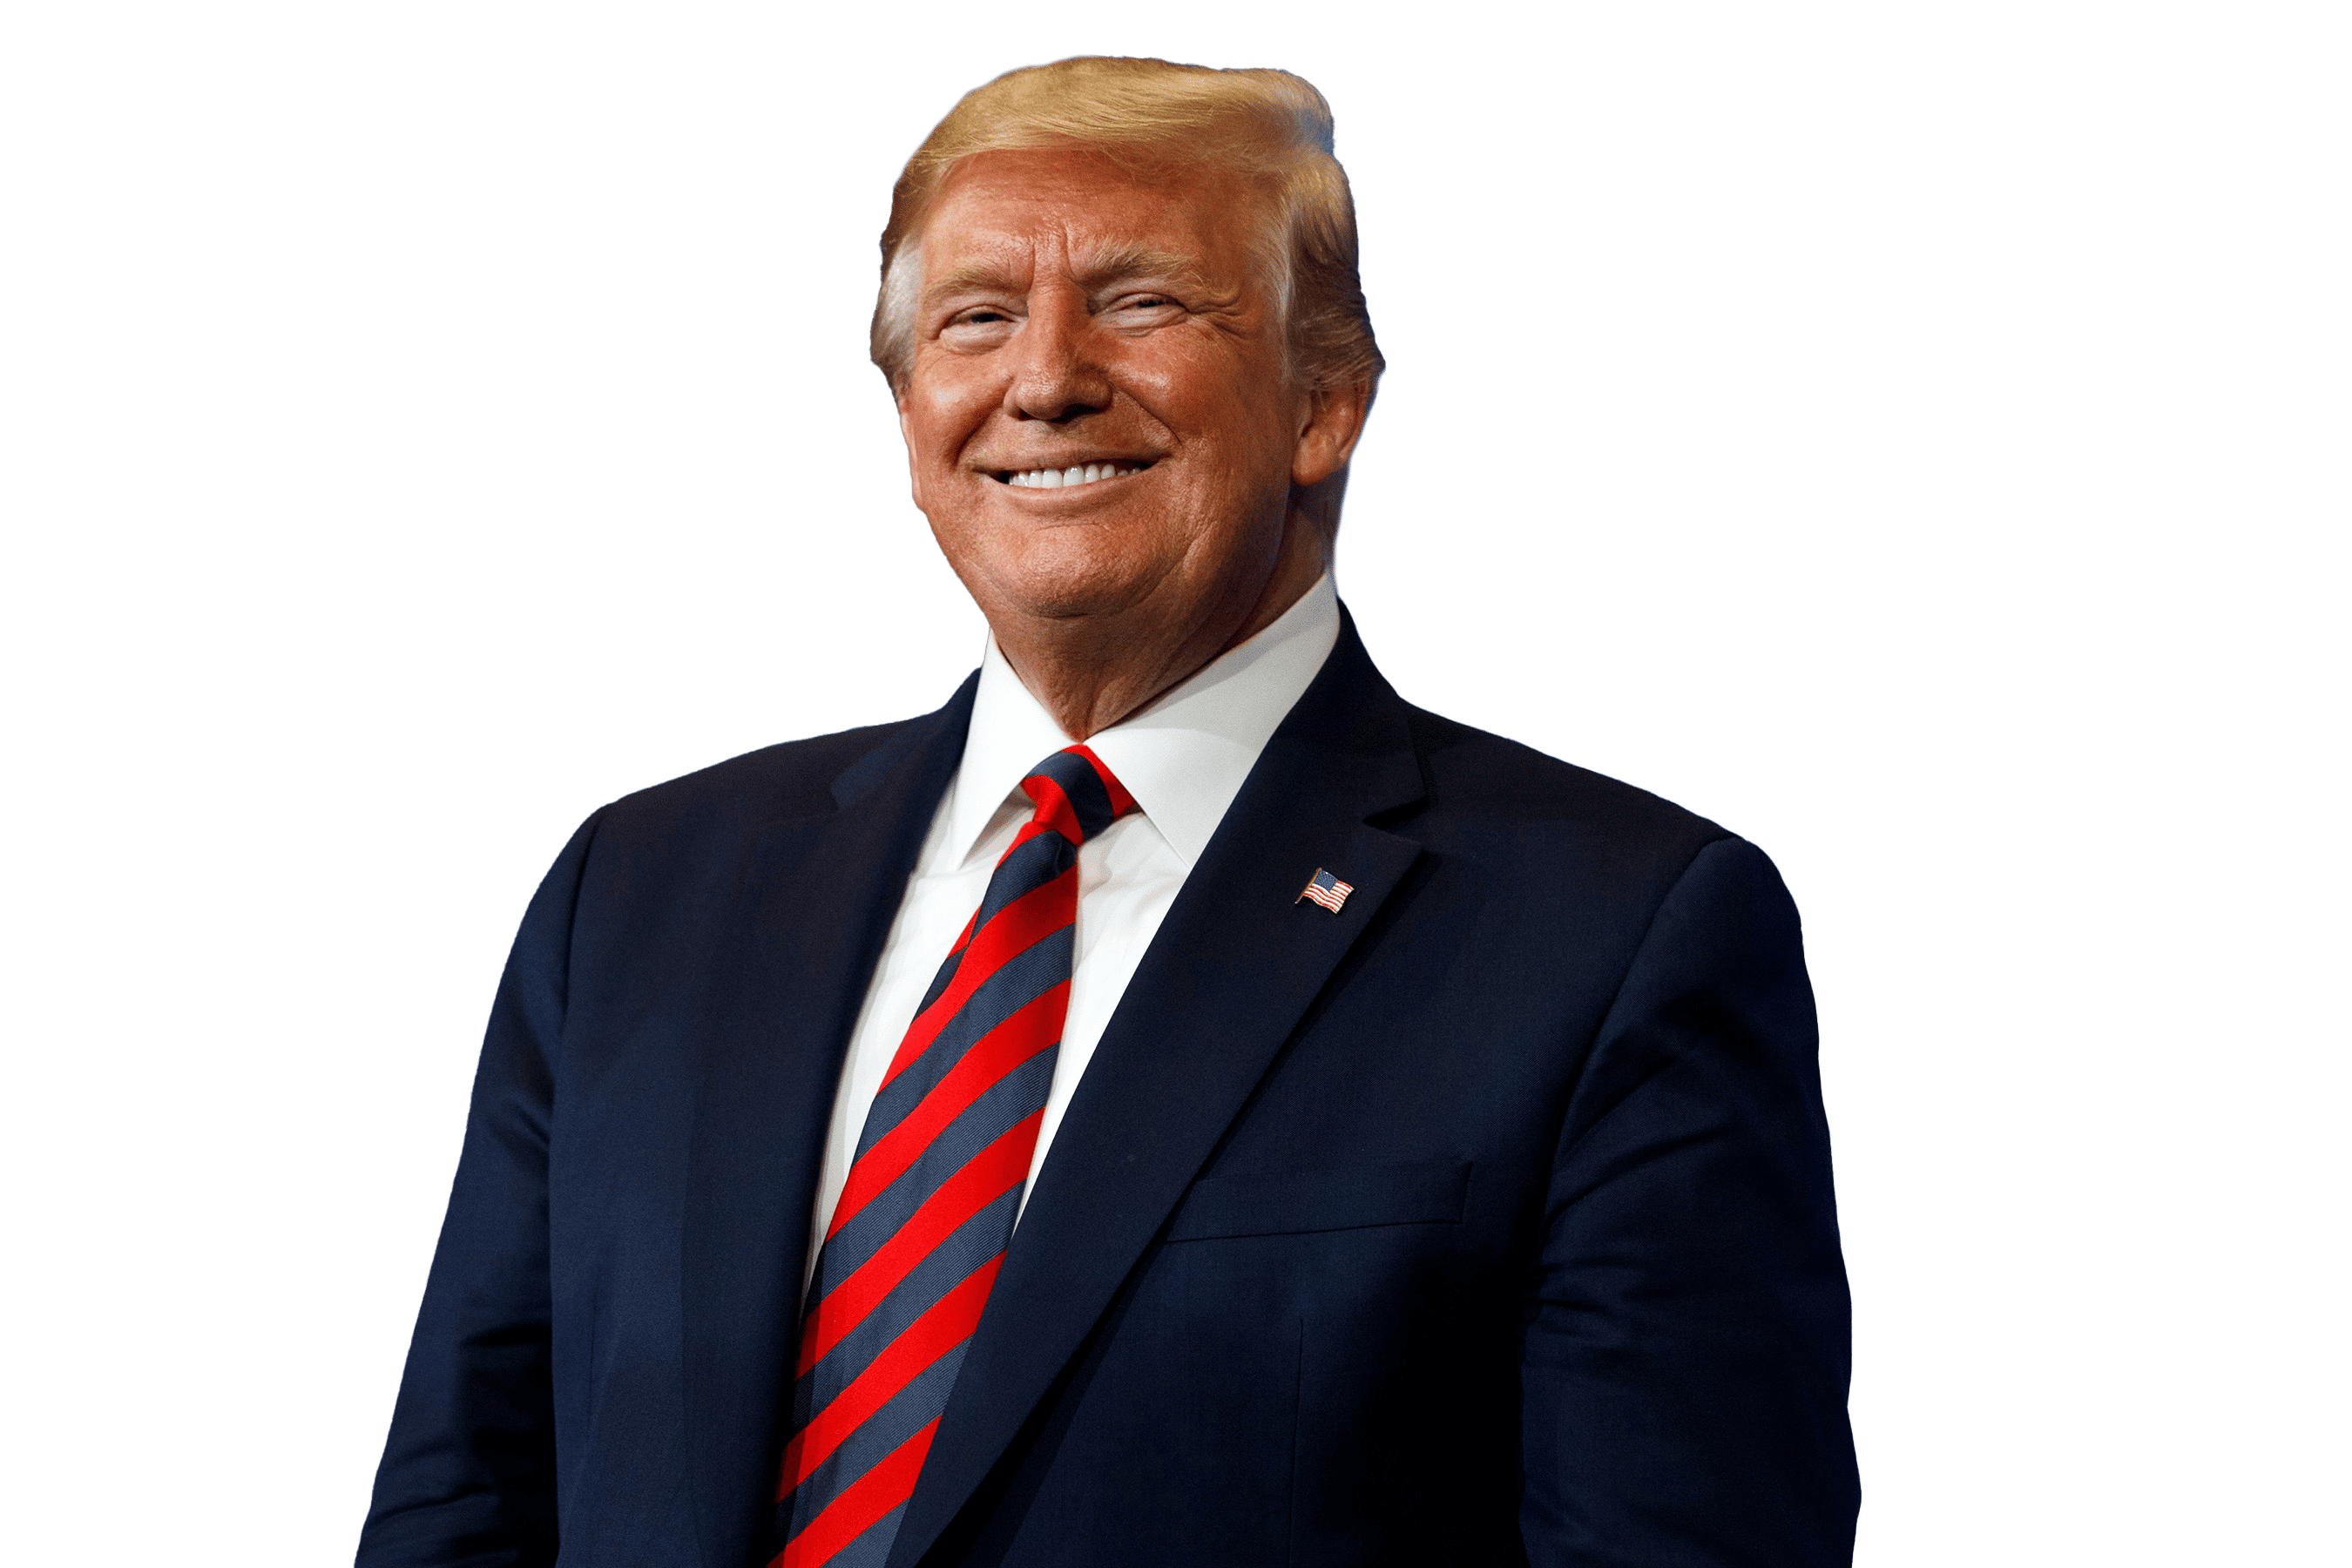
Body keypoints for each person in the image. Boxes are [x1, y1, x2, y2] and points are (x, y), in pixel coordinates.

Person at [357, 55, 1860, 1568]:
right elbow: (466, 1510)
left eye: (1142, 302)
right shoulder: (639, 893)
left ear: (1327, 401)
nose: (1045, 379)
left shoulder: (1616, 937)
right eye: (975, 318)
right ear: (909, 415)